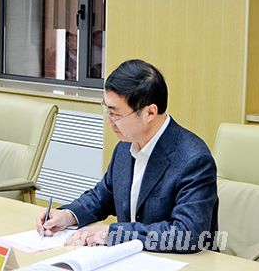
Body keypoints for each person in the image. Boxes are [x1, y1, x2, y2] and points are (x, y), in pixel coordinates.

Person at [37, 59, 218, 253]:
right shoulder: (125, 147)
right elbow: (102, 196)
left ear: (150, 112)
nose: (109, 121)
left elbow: (188, 233)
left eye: (116, 114)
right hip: (131, 257)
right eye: (107, 110)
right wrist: (68, 215)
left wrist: (114, 233)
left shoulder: (193, 159)